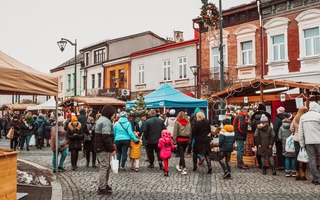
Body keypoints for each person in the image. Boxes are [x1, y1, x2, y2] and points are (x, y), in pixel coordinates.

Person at [94, 105, 117, 195]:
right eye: (113, 113)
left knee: (106, 166)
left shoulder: (101, 119)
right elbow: (106, 137)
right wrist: (111, 149)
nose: (114, 115)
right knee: (104, 166)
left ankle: (104, 184)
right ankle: (102, 187)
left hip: (101, 146)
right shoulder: (106, 121)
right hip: (103, 147)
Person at [299, 102, 320, 185]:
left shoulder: (303, 117)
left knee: (312, 160)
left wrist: (302, 143)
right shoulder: (319, 116)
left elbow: (301, 131)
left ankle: (315, 178)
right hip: (319, 140)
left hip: (309, 141)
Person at [250, 104, 272, 168]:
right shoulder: (267, 116)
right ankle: (265, 164)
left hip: (257, 135)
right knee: (265, 149)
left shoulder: (254, 117)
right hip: (266, 136)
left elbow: (252, 127)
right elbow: (269, 127)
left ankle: (260, 164)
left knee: (258, 149)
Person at [290, 106, 308, 180]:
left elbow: (291, 129)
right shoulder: (306, 118)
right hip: (305, 139)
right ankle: (303, 173)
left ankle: (297, 172)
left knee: (296, 156)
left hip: (296, 139)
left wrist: (295, 133)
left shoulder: (295, 118)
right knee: (304, 156)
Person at [273, 106, 291, 170]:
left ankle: (281, 165)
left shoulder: (277, 118)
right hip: (287, 137)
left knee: (279, 151)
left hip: (278, 138)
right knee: (287, 150)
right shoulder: (288, 117)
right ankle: (288, 164)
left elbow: (275, 128)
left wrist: (273, 136)